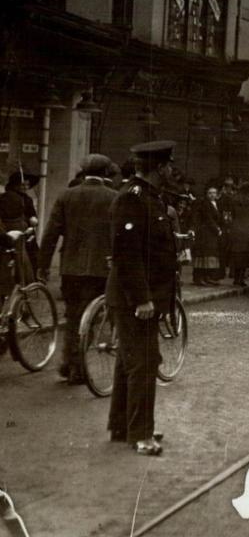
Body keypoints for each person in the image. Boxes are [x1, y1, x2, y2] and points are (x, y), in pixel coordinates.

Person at [106, 141, 180, 456]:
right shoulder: (132, 199)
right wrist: (141, 299)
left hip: (141, 295)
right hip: (133, 298)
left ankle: (122, 425)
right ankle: (141, 434)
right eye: (169, 165)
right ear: (159, 168)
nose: (172, 170)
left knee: (130, 362)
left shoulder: (150, 198)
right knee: (144, 363)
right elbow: (127, 254)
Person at [37, 154, 116, 384]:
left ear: (83, 172)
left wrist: (43, 265)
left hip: (70, 267)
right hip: (100, 268)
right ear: (105, 173)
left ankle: (69, 362)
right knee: (91, 317)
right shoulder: (114, 197)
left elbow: (50, 234)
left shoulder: (66, 195)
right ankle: (77, 367)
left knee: (73, 315)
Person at [191, 184, 224, 286]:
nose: (212, 195)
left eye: (214, 193)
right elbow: (208, 218)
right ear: (206, 194)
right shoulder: (205, 204)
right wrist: (217, 229)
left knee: (210, 254)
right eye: (210, 193)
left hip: (211, 233)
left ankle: (208, 277)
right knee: (204, 254)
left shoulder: (216, 204)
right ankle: (200, 278)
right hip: (205, 232)